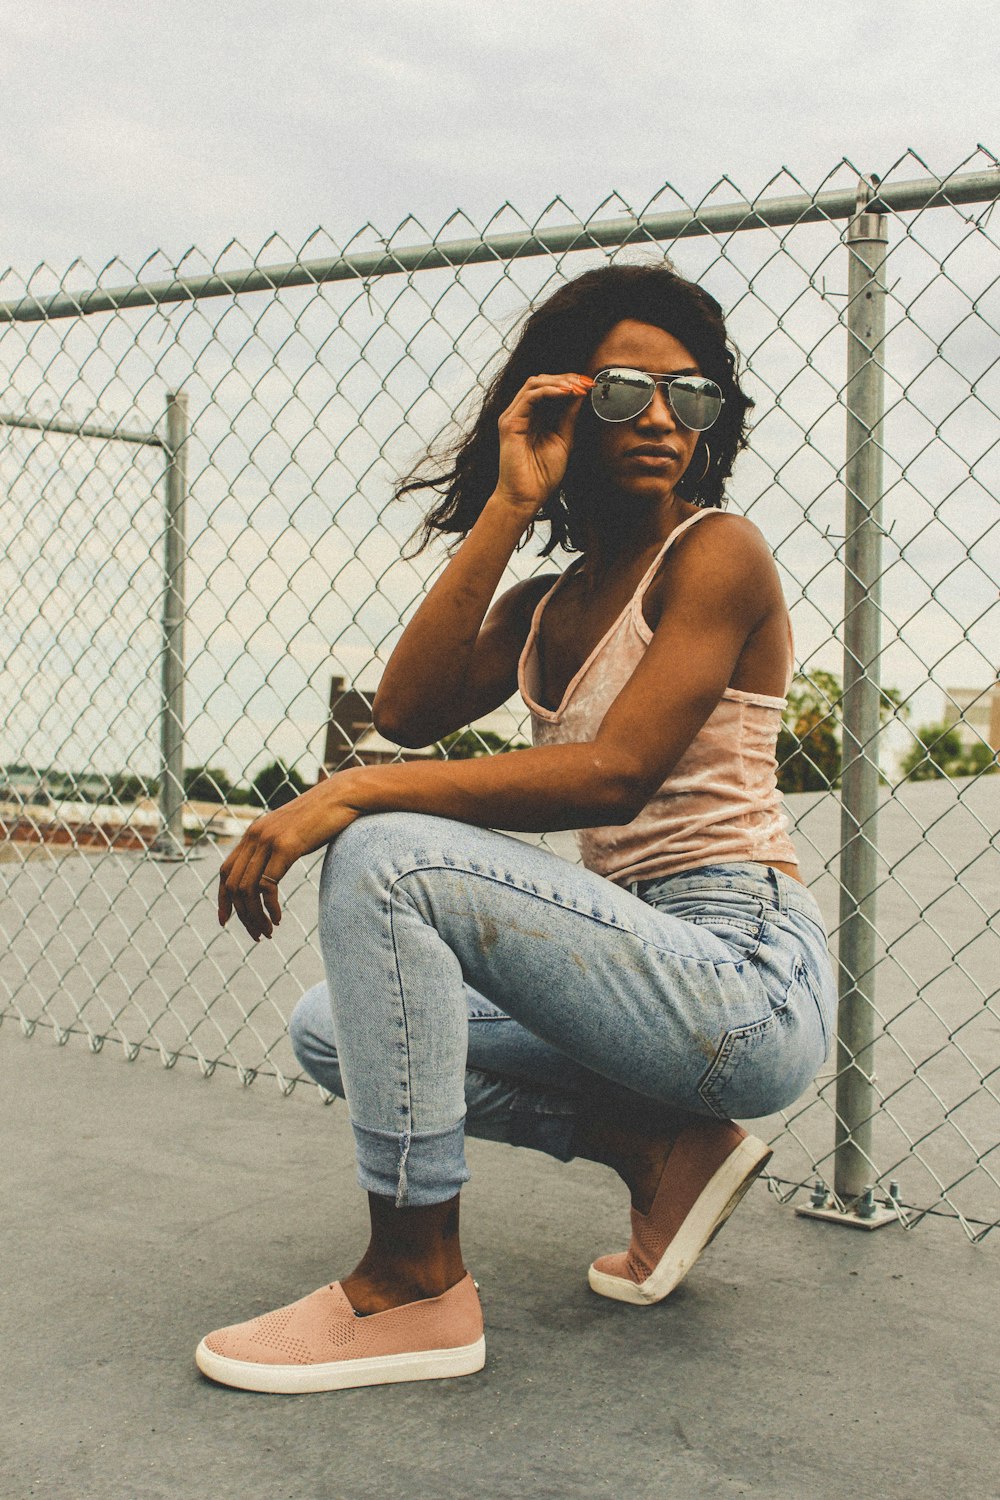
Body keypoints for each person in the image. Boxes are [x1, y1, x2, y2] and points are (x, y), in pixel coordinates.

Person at [196, 262, 836, 1395]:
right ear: (562, 403)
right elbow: (404, 709)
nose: (661, 421)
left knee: (384, 849)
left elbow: (614, 776)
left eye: (691, 399)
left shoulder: (718, 553)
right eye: (624, 391)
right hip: (639, 968)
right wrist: (508, 503)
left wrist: (351, 794)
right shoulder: (545, 607)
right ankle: (659, 1151)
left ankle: (413, 1283)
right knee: (332, 1028)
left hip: (744, 975)